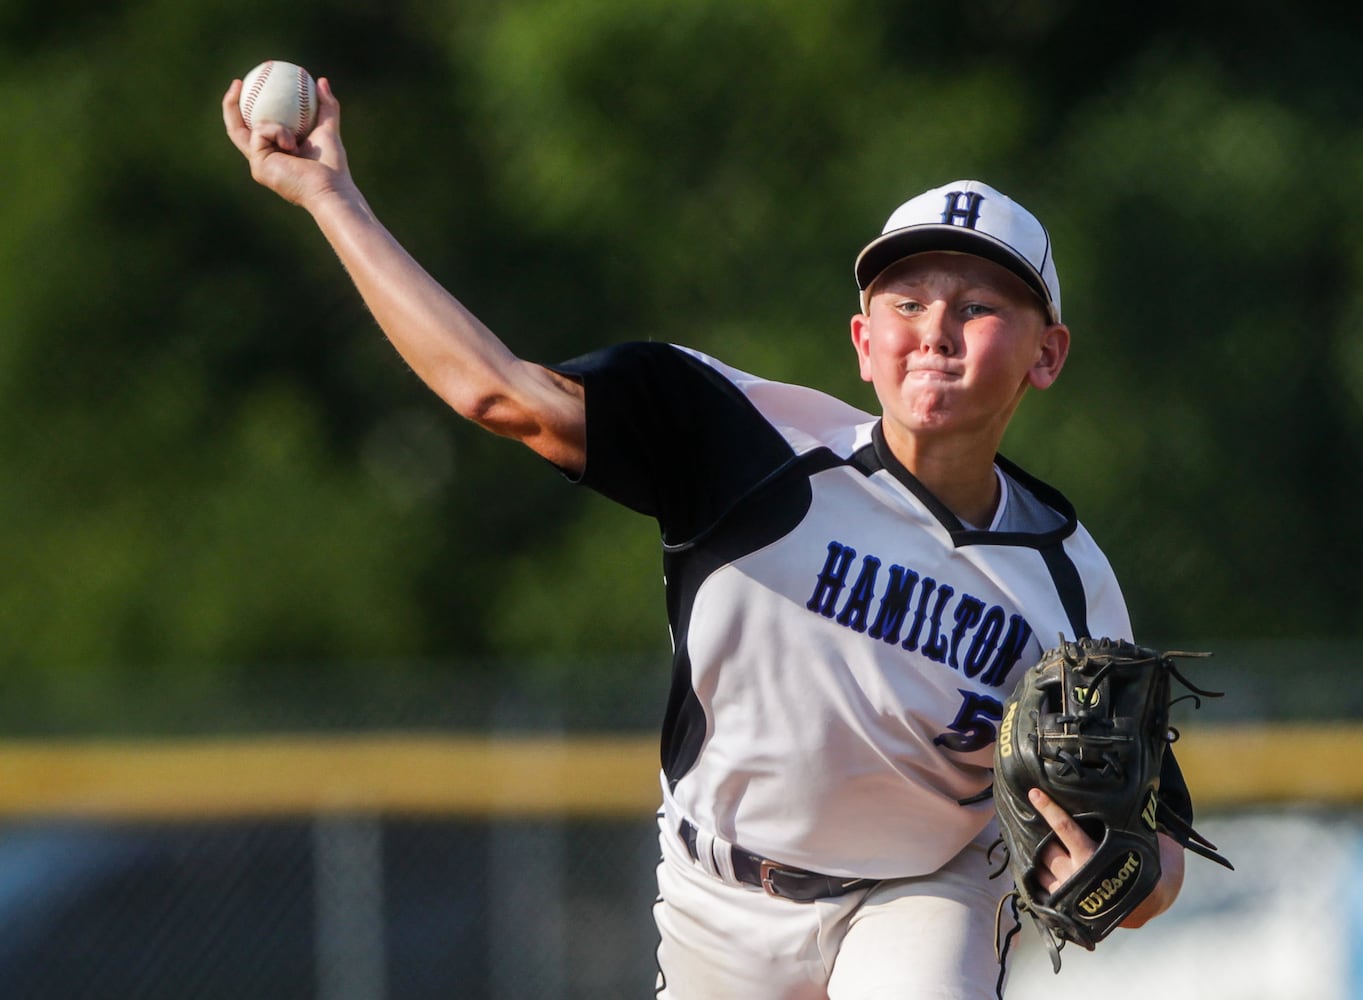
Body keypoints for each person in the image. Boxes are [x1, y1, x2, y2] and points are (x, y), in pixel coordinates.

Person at [223, 74, 1194, 999]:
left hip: (924, 891)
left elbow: (1155, 858)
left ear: (1046, 354)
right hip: (716, 896)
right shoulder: (742, 442)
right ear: (862, 341)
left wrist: (1125, 878)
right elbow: (495, 391)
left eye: (979, 307)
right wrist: (330, 196)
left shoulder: (1068, 584)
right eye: (906, 302)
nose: (934, 330)